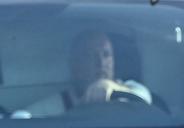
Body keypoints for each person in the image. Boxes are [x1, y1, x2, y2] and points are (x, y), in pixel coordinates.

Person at [22, 30, 151, 117]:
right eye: (90, 55)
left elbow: (145, 98)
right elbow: (23, 118)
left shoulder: (131, 91)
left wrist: (109, 86)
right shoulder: (58, 104)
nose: (100, 63)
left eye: (106, 55)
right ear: (75, 64)